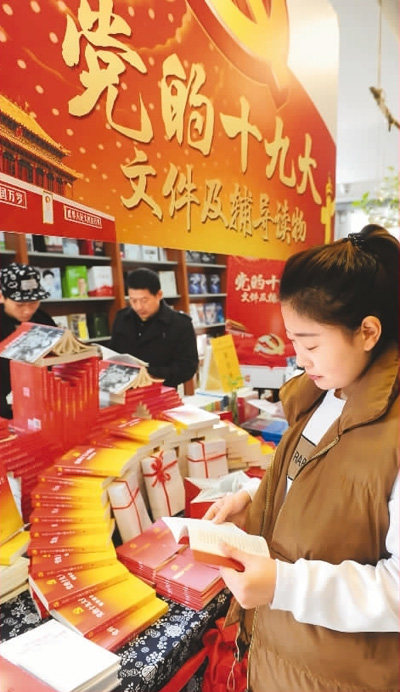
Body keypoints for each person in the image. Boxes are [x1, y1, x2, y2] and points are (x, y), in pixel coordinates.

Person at [203, 224, 399, 692]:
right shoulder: (324, 393)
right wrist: (257, 498)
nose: (300, 359)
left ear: (368, 332)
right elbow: (314, 477)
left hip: (339, 675)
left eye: (311, 344)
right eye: (293, 341)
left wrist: (284, 584)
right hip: (280, 656)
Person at [109, 267, 198, 388]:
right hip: (124, 390)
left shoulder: (180, 324)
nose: (138, 307)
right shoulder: (122, 318)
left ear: (159, 295)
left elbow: (187, 368)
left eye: (144, 300)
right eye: (133, 300)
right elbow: (113, 354)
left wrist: (150, 373)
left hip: (162, 391)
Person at [0, 262, 56, 419]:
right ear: (2, 297)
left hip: (42, 400)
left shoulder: (43, 319)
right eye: (20, 305)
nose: (27, 310)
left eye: (33, 303)